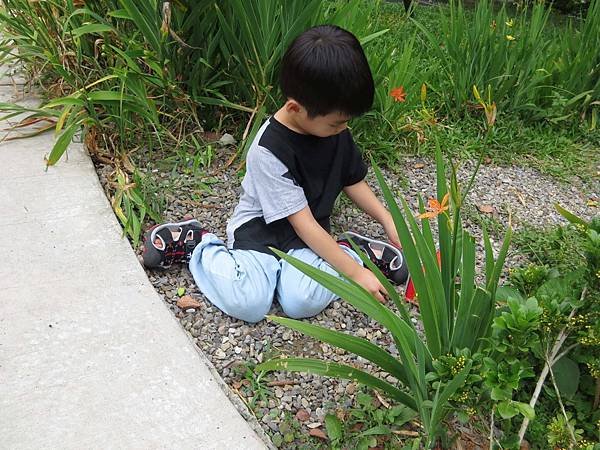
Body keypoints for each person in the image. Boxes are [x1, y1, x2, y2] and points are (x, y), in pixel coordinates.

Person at [142, 25, 408, 323]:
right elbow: (303, 224)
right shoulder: (269, 150)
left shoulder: (332, 128)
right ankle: (197, 244)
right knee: (250, 304)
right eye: (336, 124)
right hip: (262, 232)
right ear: (295, 107)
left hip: (307, 237)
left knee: (301, 303)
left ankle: (350, 250)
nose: (343, 130)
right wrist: (355, 274)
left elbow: (352, 180)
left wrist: (387, 219)